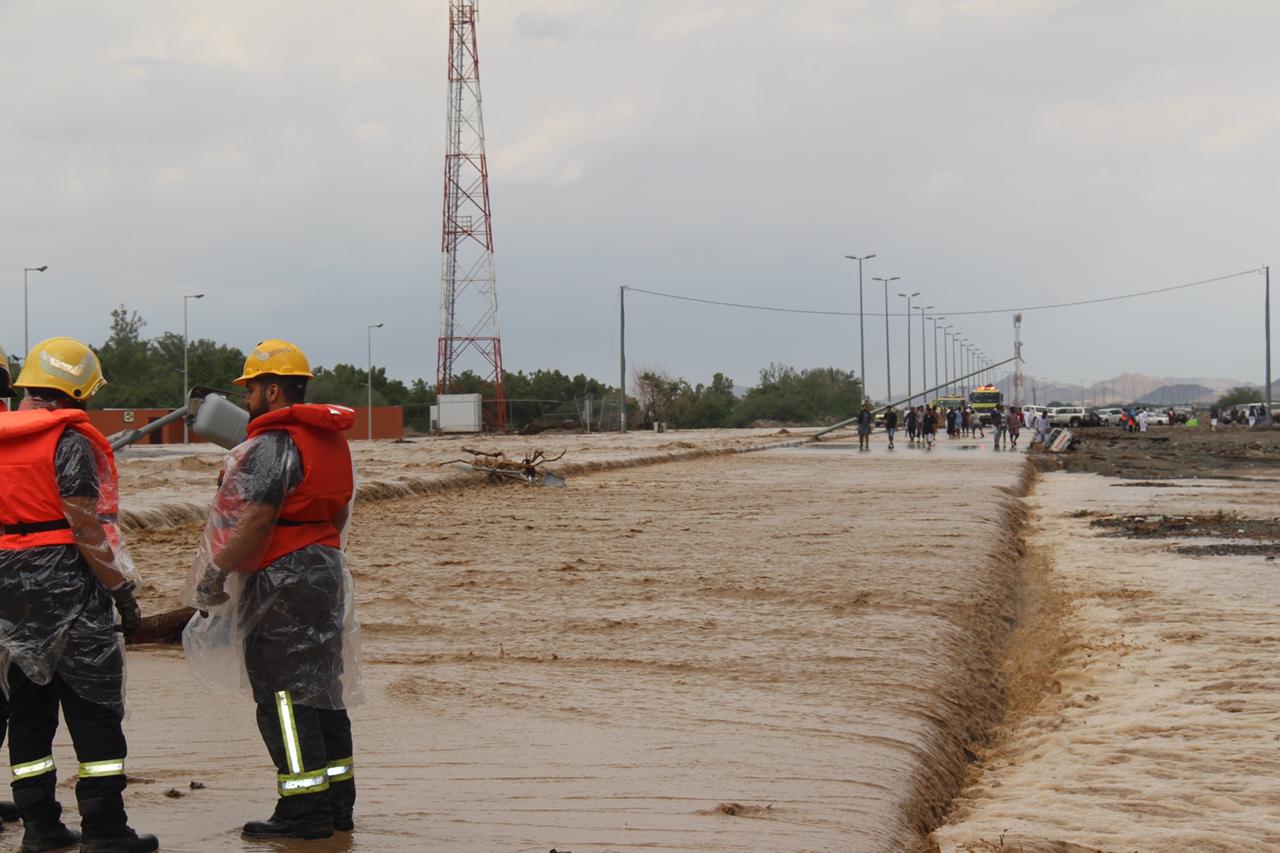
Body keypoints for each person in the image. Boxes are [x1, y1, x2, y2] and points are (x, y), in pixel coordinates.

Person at [184, 340, 361, 840]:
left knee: (283, 696)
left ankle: (303, 811)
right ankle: (337, 806)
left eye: (253, 388)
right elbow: (340, 510)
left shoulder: (272, 444)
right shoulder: (328, 440)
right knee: (323, 689)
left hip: (281, 576)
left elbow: (257, 519)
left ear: (274, 388)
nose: (248, 399)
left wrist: (215, 571)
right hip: (324, 568)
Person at [0, 338, 157, 853]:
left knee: (28, 711)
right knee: (93, 709)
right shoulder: (68, 443)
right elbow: (86, 528)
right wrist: (122, 591)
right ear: (77, 394)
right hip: (71, 589)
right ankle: (105, 829)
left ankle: (40, 827)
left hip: (10, 595)